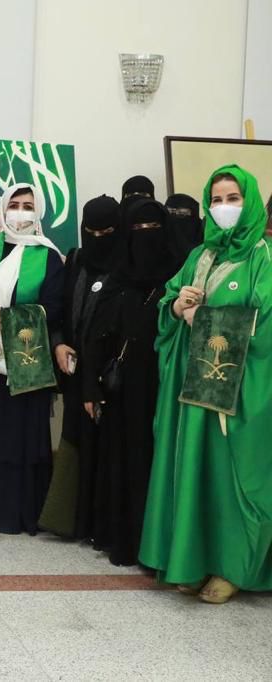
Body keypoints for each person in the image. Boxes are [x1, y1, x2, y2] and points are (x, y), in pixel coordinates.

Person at [140, 165, 272, 604]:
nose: (224, 207)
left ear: (249, 202)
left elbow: (266, 325)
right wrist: (178, 307)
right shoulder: (200, 255)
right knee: (195, 473)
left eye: (233, 198)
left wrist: (208, 320)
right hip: (193, 389)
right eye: (216, 200)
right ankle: (192, 560)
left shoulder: (262, 257)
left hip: (237, 394)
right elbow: (168, 300)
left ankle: (233, 567)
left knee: (231, 478)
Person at [0, 183, 63, 536]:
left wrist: (5, 319)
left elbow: (55, 309)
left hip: (24, 360)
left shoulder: (49, 256)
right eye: (14, 205)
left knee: (16, 434)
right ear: (3, 209)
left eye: (28, 206)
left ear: (39, 212)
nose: (20, 212)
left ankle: (14, 513)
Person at [80, 199, 173, 566]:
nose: (145, 237)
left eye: (154, 229)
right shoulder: (118, 277)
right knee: (120, 463)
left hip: (162, 389)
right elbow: (95, 337)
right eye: (137, 230)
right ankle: (121, 540)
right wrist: (90, 387)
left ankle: (156, 546)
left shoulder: (177, 275)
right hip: (120, 391)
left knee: (157, 464)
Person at [38, 195, 123, 538]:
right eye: (92, 232)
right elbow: (58, 310)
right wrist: (58, 343)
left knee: (107, 449)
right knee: (75, 441)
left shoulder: (126, 266)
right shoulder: (76, 260)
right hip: (74, 368)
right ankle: (70, 521)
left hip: (108, 374)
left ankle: (101, 526)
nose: (98, 238)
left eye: (107, 232)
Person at [164, 193, 204, 269]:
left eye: (182, 213)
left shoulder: (205, 238)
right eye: (170, 212)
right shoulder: (160, 240)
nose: (175, 216)